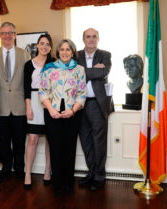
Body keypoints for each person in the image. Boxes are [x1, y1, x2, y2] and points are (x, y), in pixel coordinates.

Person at [39, 39, 87, 196]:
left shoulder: (79, 69)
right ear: (57, 52)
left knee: (69, 149)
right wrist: (50, 109)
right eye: (62, 49)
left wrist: (73, 110)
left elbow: (82, 93)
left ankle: (68, 183)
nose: (65, 52)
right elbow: (43, 91)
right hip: (52, 113)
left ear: (73, 52)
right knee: (55, 149)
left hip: (72, 113)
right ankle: (57, 185)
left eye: (68, 49)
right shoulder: (48, 68)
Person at [0, 22, 31, 182]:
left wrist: (29, 106)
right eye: (4, 33)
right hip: (0, 107)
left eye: (10, 32)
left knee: (19, 141)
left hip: (20, 107)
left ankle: (19, 168)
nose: (7, 35)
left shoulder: (25, 55)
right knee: (3, 141)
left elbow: (28, 82)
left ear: (15, 35)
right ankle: (6, 168)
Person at [77, 28, 114, 191]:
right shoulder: (75, 55)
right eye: (88, 37)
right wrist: (94, 71)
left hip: (96, 104)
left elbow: (103, 72)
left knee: (99, 142)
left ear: (98, 39)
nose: (91, 39)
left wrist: (84, 72)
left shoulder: (105, 55)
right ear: (83, 39)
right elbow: (74, 76)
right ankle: (91, 172)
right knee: (85, 141)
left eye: (94, 37)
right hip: (78, 104)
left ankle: (99, 175)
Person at [23, 34, 55, 189]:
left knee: (50, 139)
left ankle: (47, 171)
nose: (44, 46)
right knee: (33, 139)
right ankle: (27, 173)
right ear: (37, 45)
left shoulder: (55, 63)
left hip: (50, 102)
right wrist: (28, 107)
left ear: (50, 47)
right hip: (34, 103)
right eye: (42, 43)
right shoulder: (29, 64)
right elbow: (26, 87)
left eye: (47, 44)